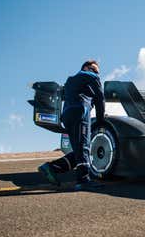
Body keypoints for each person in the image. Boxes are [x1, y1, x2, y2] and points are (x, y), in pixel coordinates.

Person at [38, 60, 105, 189]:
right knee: (84, 147)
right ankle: (83, 180)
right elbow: (100, 97)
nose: (97, 73)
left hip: (67, 116)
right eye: (94, 70)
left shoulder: (69, 81)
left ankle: (51, 168)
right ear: (86, 68)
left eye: (97, 72)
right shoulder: (90, 76)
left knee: (78, 150)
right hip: (80, 112)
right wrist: (101, 120)